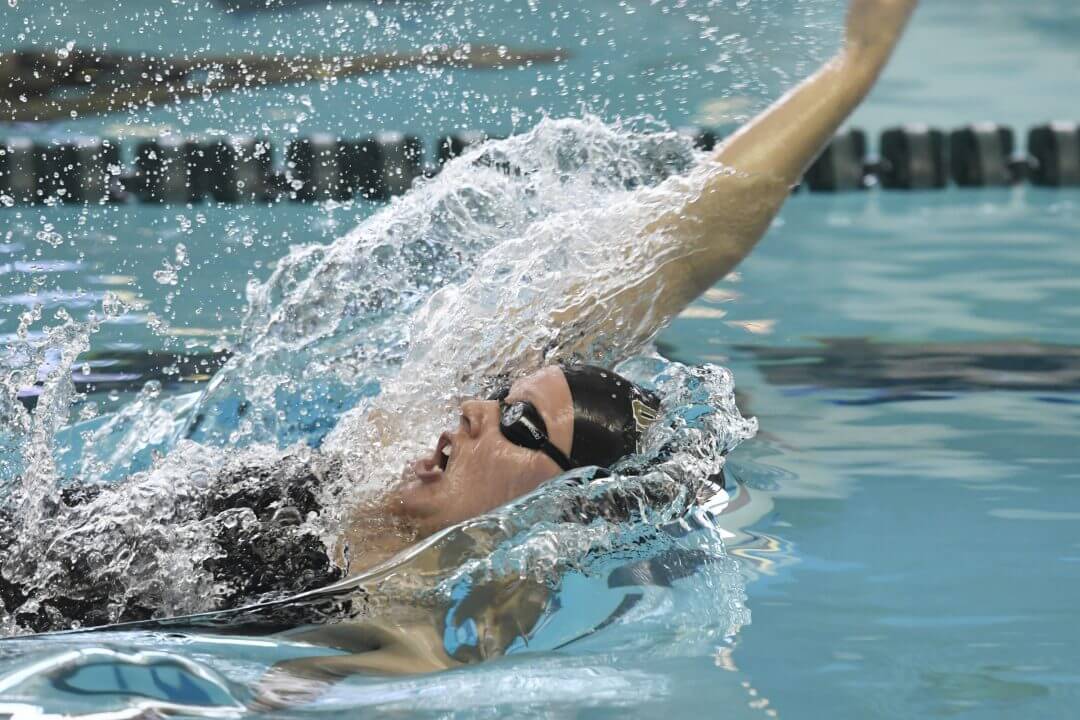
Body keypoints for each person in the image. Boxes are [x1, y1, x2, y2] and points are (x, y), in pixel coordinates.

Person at [2, 0, 917, 697]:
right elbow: (669, 247)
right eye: (505, 396)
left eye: (519, 422)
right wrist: (853, 65)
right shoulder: (380, 452)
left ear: (562, 498)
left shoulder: (400, 630)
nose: (478, 409)